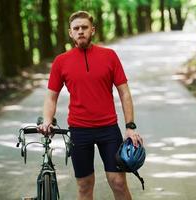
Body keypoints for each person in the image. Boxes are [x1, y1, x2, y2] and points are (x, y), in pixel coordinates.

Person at [38, 10, 143, 200]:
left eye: (84, 27)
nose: (80, 31)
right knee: (85, 186)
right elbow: (51, 97)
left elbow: (124, 92)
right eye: (76, 28)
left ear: (92, 30)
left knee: (118, 183)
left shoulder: (109, 56)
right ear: (70, 33)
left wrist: (130, 127)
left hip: (109, 129)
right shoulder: (61, 62)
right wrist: (47, 120)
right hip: (79, 131)